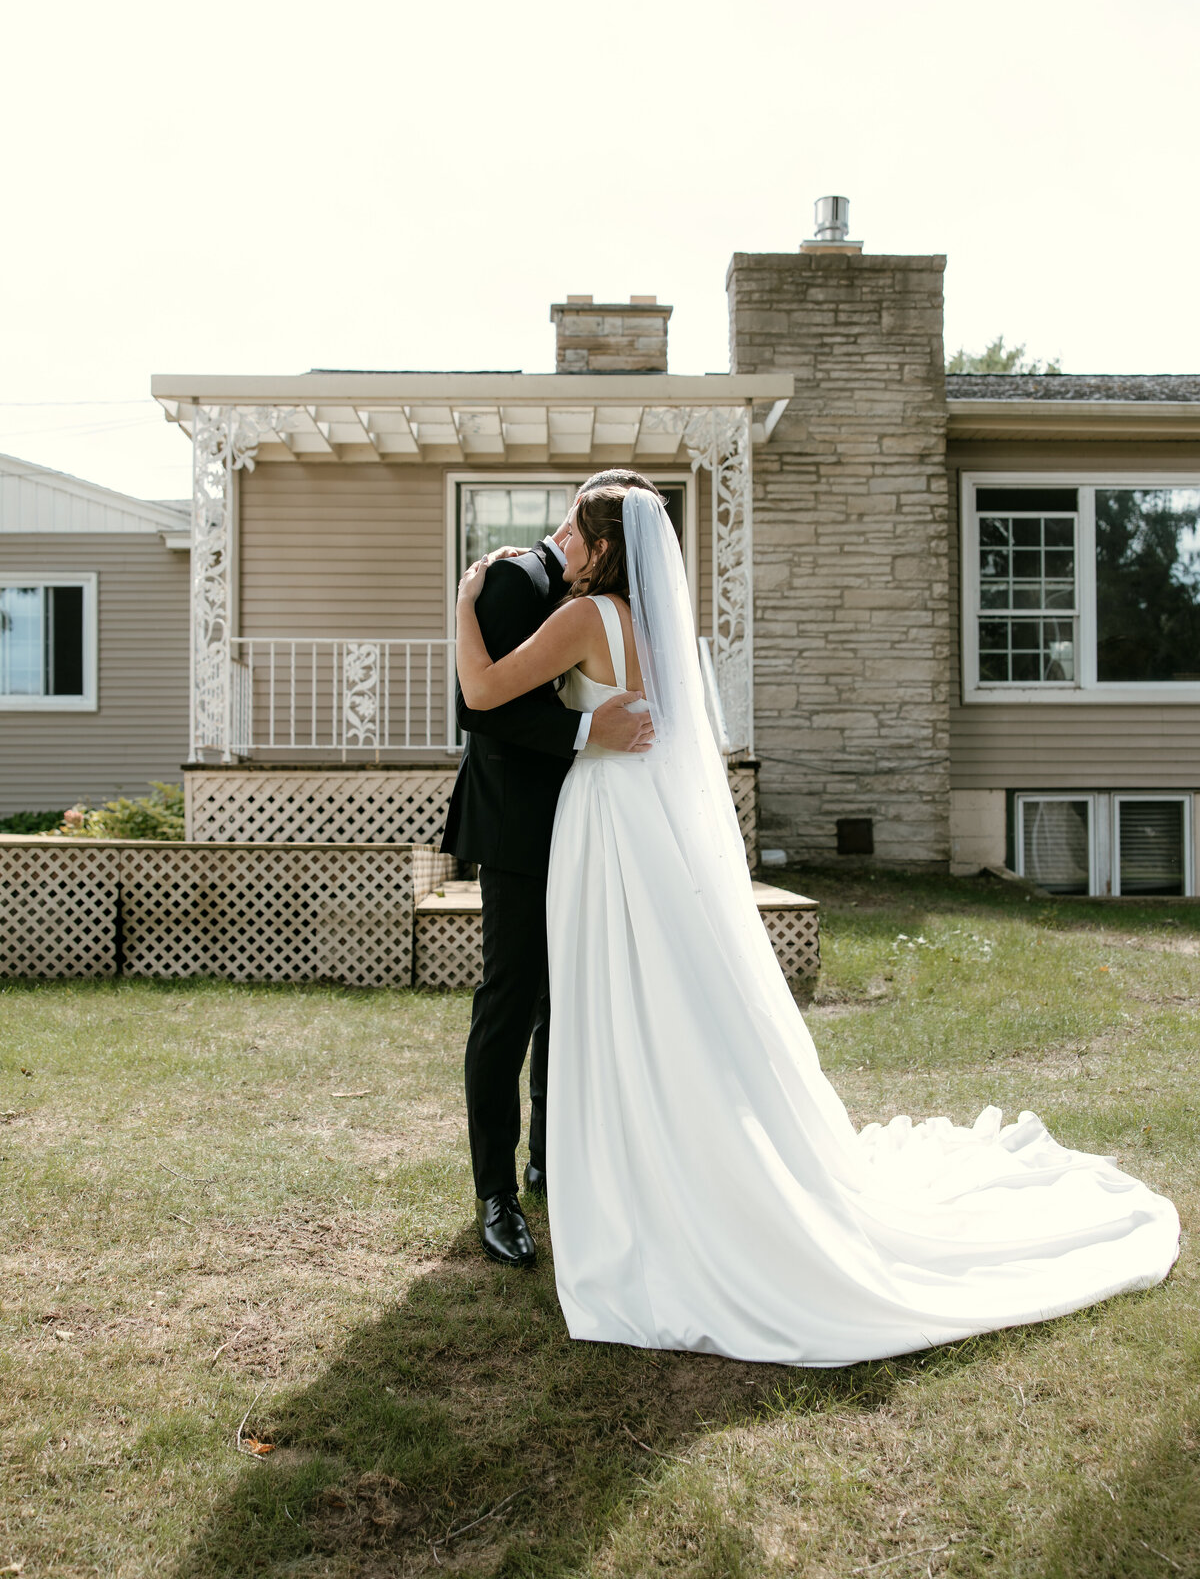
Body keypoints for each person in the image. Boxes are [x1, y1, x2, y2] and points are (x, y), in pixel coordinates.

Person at [453, 478, 1180, 1366]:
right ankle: (619, 1159)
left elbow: (482, 691)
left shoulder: (583, 618)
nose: (562, 537)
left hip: (604, 822)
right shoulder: (665, 631)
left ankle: (592, 1165)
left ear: (603, 549)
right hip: (649, 827)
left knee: (602, 990)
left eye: (577, 525)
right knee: (647, 991)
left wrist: (462, 600)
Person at [440, 473, 657, 1270]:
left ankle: (548, 1160)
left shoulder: (590, 599)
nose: (572, 539)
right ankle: (496, 1191)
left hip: (588, 822)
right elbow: (480, 706)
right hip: (520, 829)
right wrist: (461, 609)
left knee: (563, 1005)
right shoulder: (510, 578)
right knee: (510, 998)